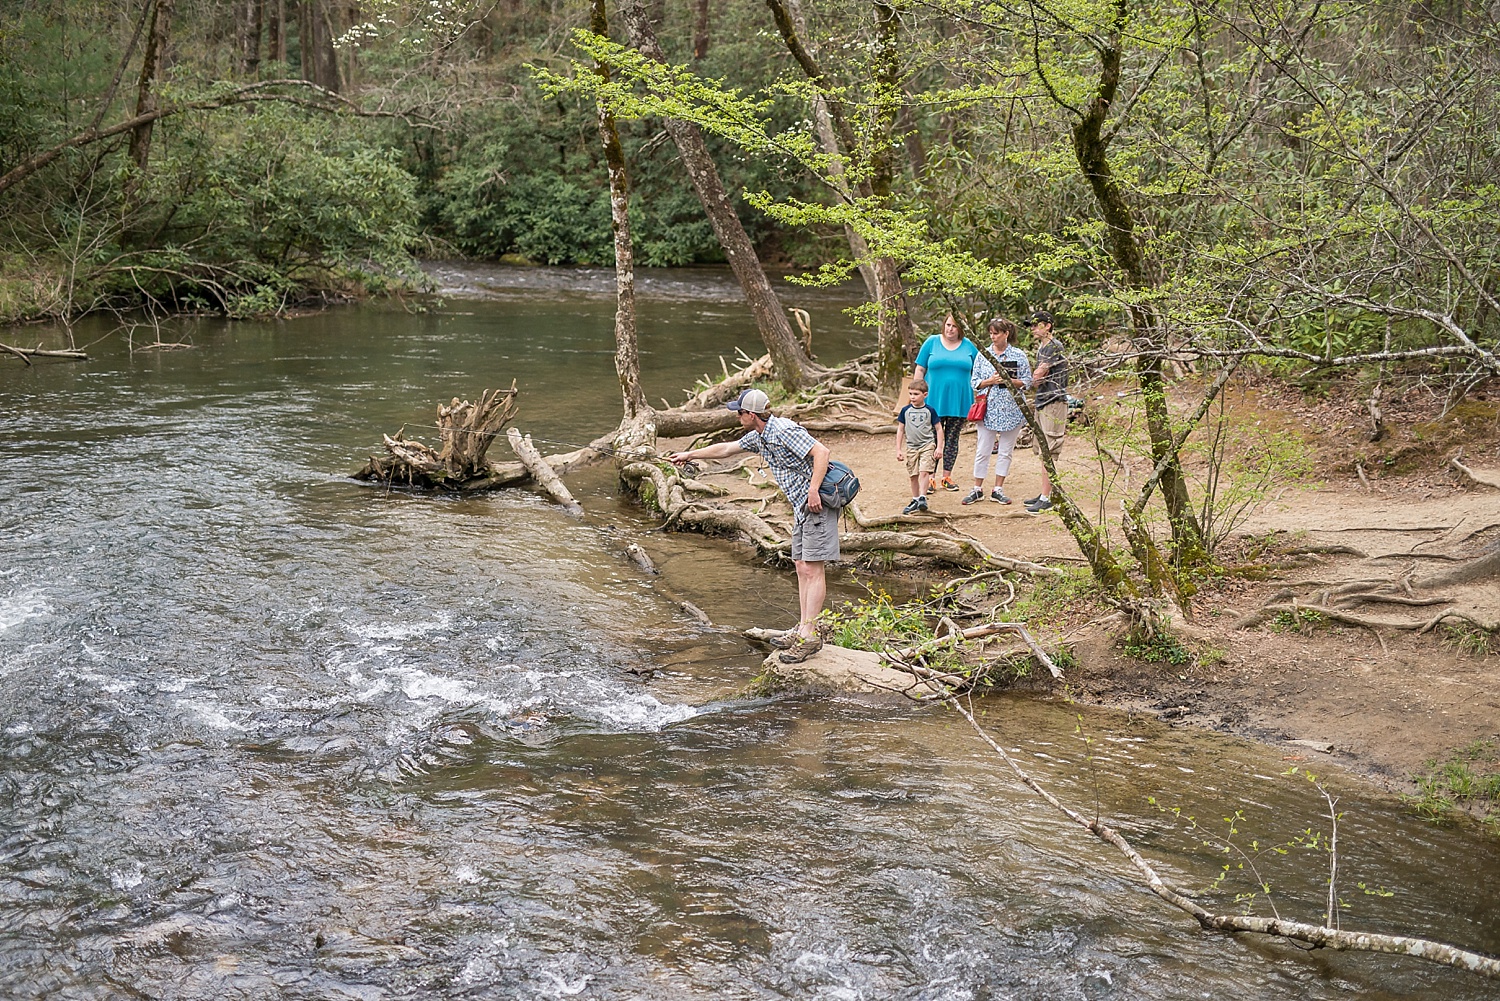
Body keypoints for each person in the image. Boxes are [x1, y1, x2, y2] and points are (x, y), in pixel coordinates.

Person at [667, 388, 836, 664]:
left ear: (752, 414)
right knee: (801, 566)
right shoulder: (760, 436)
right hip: (801, 506)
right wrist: (690, 455)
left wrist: (814, 491)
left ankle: (809, 636)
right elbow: (725, 449)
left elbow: (822, 452)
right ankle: (803, 627)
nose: (736, 415)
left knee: (813, 568)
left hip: (817, 502)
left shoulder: (782, 429)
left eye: (740, 412)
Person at [963, 318, 1032, 506]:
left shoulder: (1018, 355)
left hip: (1012, 409)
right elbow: (974, 382)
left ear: (1006, 334)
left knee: (1006, 450)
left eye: (997, 333)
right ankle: (977, 488)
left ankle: (998, 488)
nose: (993, 337)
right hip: (988, 409)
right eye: (991, 333)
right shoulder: (982, 355)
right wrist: (990, 381)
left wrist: (1008, 380)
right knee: (983, 449)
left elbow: (1027, 381)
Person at [912, 313, 979, 494]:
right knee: (932, 439)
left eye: (954, 326)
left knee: (952, 438)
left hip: (960, 400)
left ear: (961, 328)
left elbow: (979, 370)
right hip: (933, 399)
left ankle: (946, 476)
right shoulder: (932, 342)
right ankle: (930, 477)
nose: (950, 329)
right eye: (948, 325)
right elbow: (920, 368)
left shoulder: (969, 346)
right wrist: (915, 394)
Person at [1025, 310, 1068, 513]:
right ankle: (1045, 492)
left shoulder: (1053, 346)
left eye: (1036, 324)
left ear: (1048, 325)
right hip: (1043, 401)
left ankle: (1047, 496)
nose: (1033, 328)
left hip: (1054, 402)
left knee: (1048, 450)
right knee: (1042, 449)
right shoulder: (1041, 348)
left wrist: (1029, 378)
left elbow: (1038, 377)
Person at [895, 379, 943, 514]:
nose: (912, 397)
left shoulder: (930, 411)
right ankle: (915, 499)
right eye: (910, 394)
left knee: (924, 471)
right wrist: (898, 449)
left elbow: (939, 429)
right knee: (913, 475)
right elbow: (900, 429)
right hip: (911, 447)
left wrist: (939, 447)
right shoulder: (905, 411)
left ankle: (923, 497)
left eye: (916, 394)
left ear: (925, 395)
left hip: (927, 445)